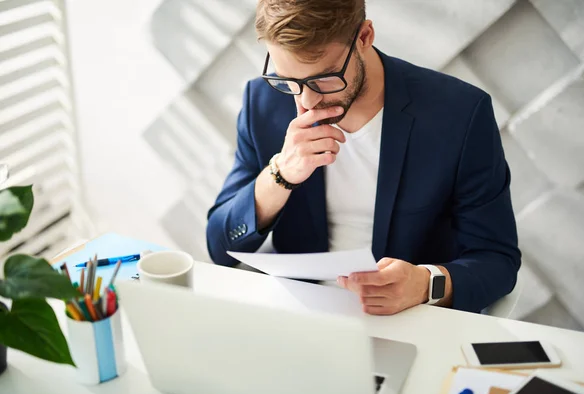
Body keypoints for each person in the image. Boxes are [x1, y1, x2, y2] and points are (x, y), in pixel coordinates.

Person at [206, 0, 521, 315]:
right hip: (297, 309)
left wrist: (426, 284)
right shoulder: (263, 102)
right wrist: (280, 175)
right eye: (288, 80)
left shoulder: (460, 113)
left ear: (364, 36)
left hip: (408, 317)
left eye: (323, 79)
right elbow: (219, 247)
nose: (306, 101)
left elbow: (497, 259)